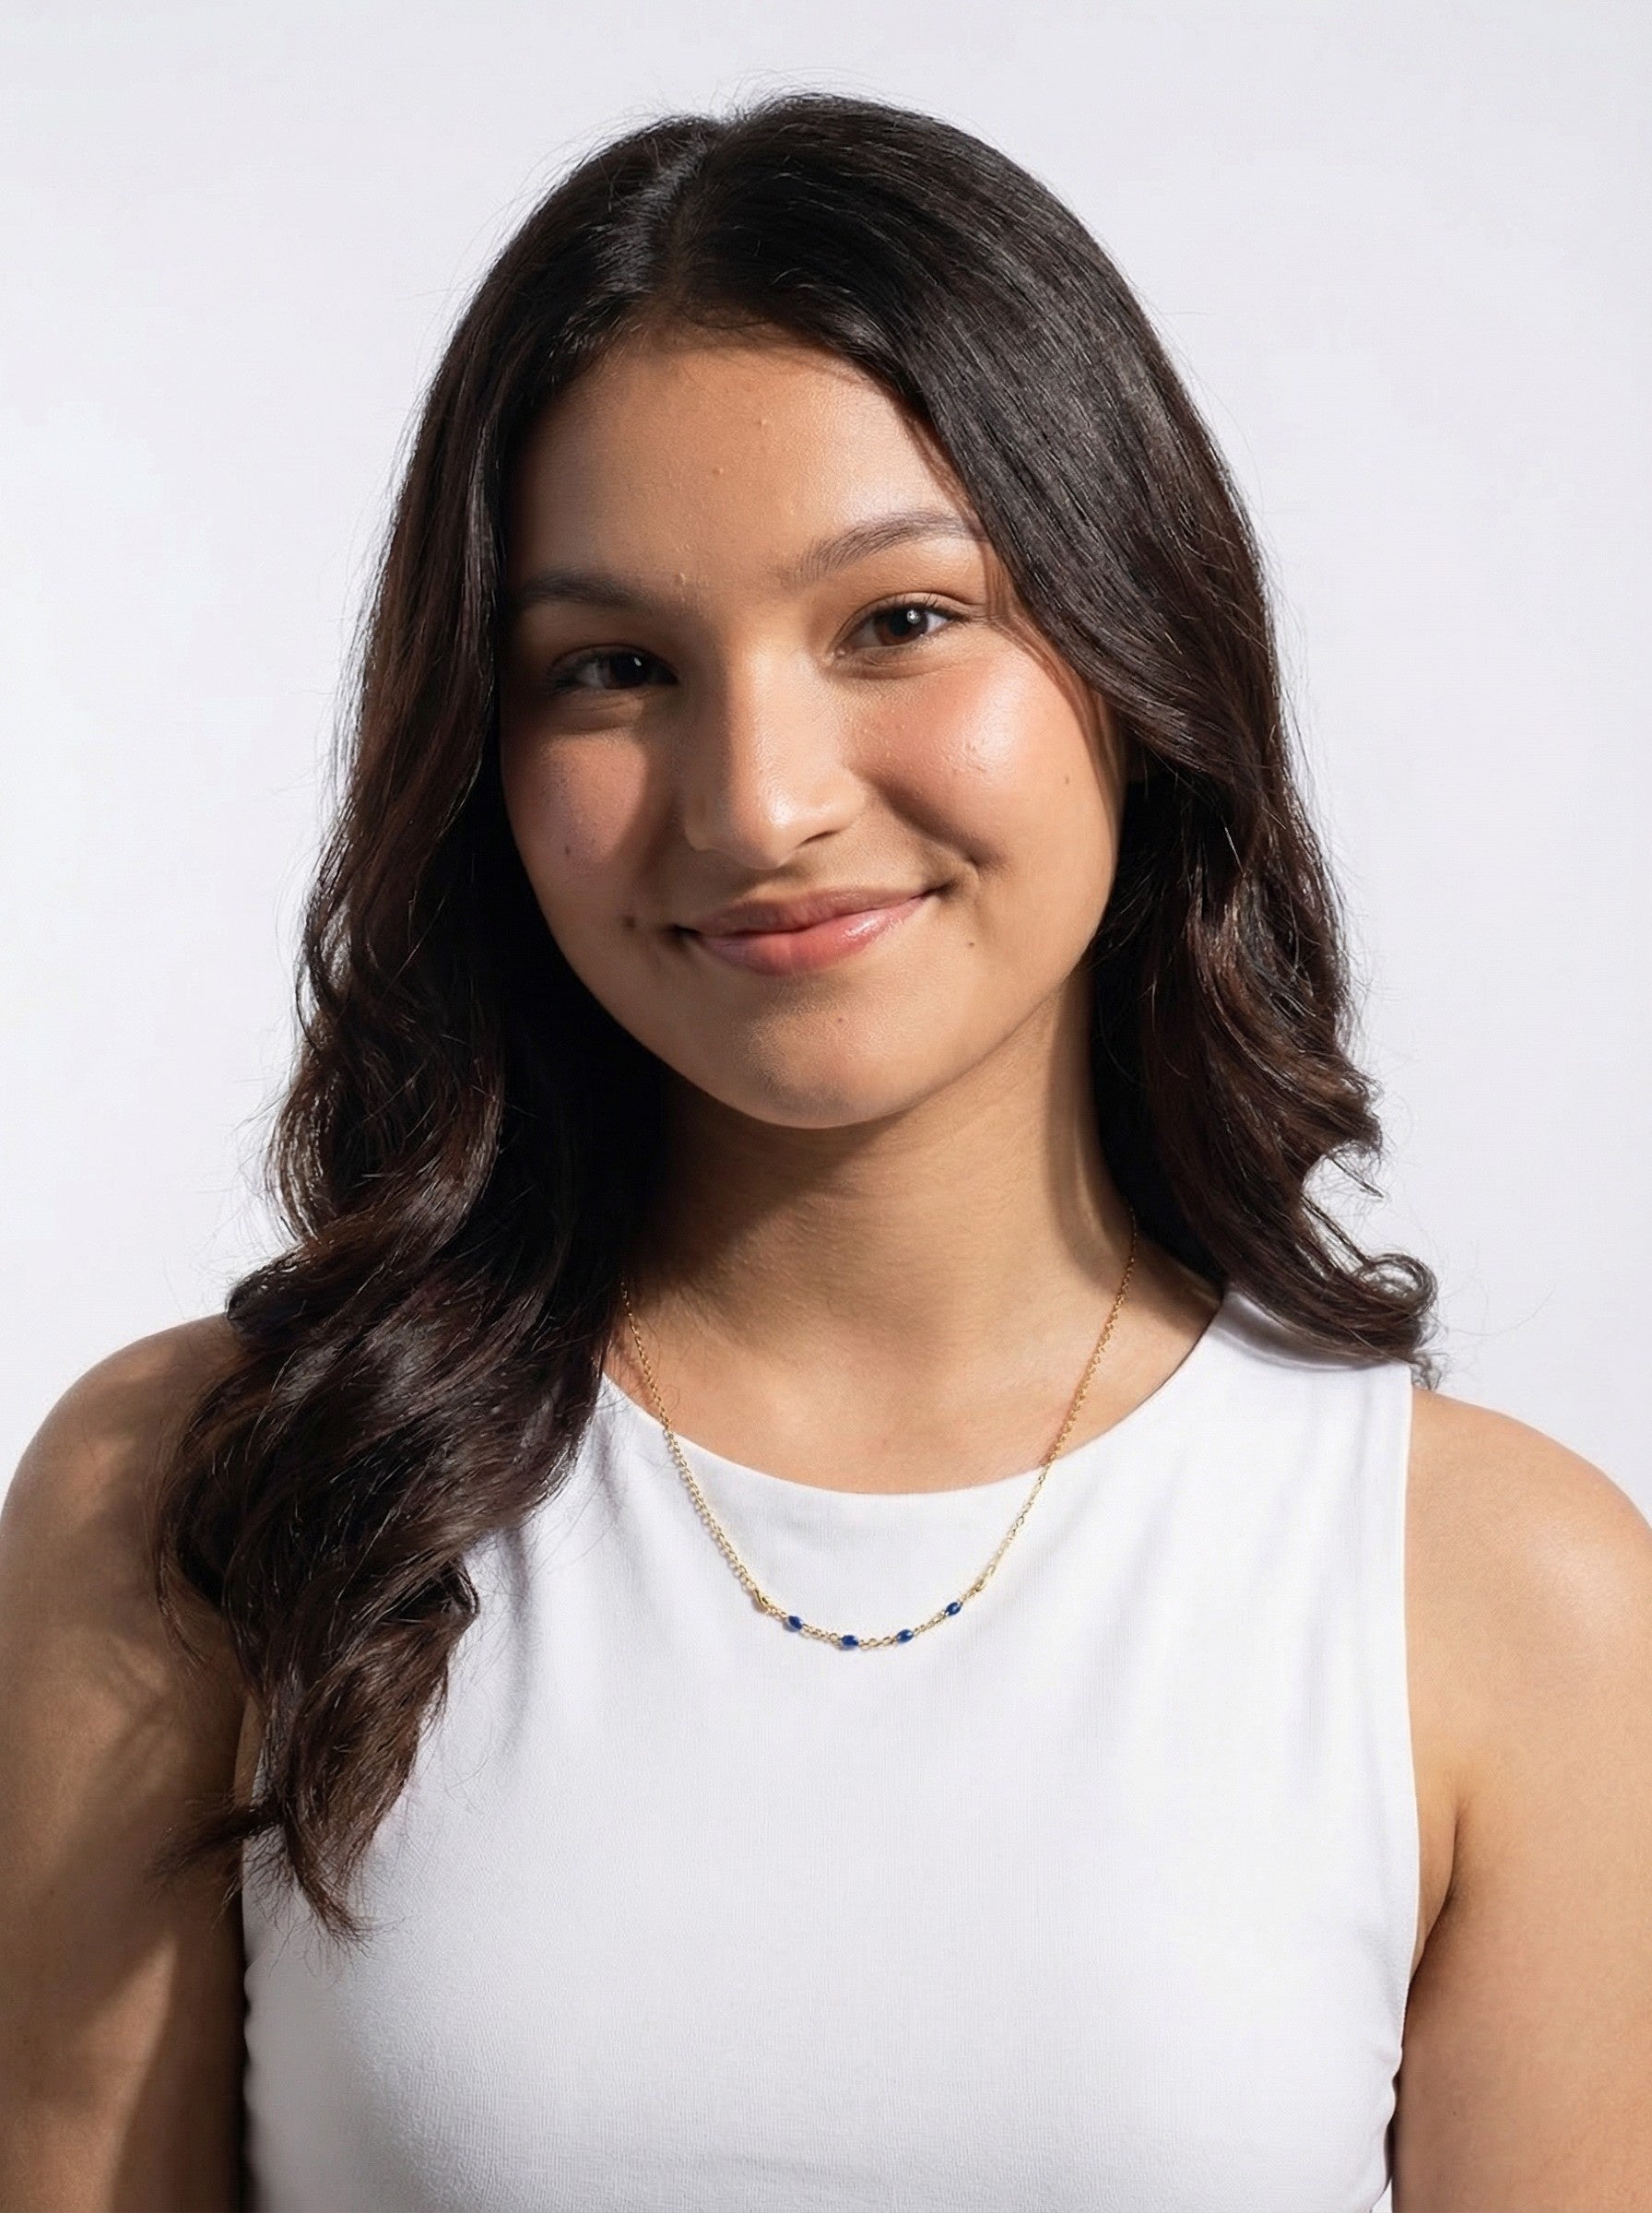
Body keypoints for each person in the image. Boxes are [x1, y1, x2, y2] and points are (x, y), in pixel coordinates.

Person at [2, 88, 1649, 2213]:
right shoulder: (208, 1506)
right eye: (610, 669)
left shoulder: (1503, 1609)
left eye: (898, 621)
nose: (757, 799)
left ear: (1135, 640)